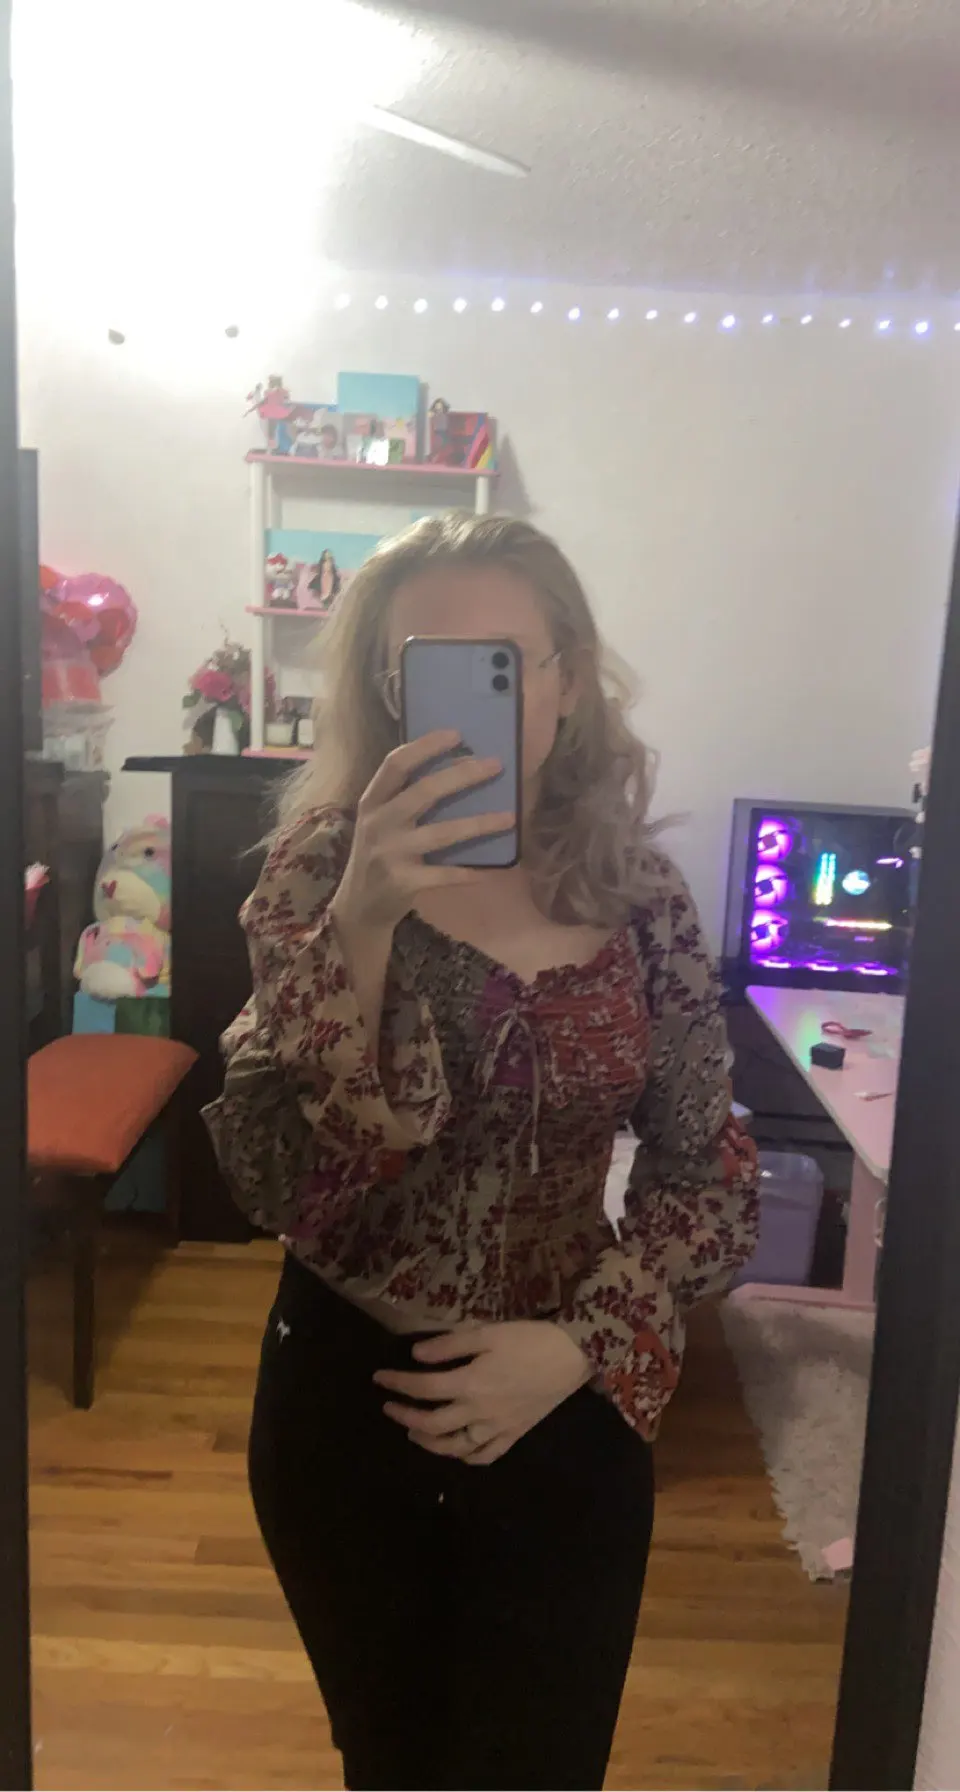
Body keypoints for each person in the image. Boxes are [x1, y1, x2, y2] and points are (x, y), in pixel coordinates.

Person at [204, 511, 758, 1792]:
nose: (474, 706)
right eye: (431, 668)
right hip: (345, 1399)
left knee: (546, 1761)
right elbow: (276, 1178)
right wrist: (361, 924)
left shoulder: (642, 898)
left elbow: (713, 1178)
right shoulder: (316, 874)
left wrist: (580, 1343)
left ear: (565, 678)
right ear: (390, 688)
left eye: (501, 665)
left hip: (570, 1393)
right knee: (392, 1759)